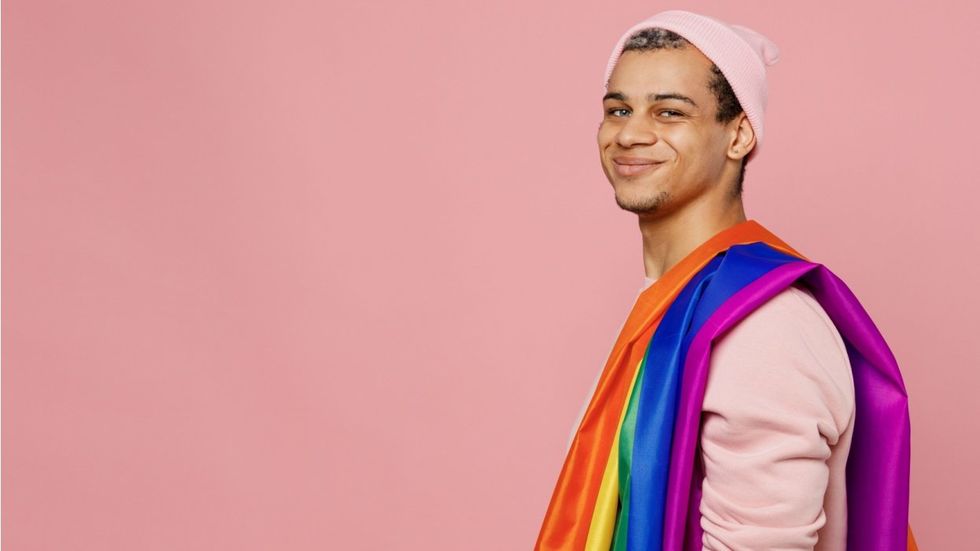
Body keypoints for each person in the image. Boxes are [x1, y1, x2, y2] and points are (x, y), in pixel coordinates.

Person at [534, 10, 917, 551]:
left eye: (670, 112)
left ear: (739, 134)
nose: (631, 133)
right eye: (618, 109)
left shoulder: (763, 327)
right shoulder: (674, 303)